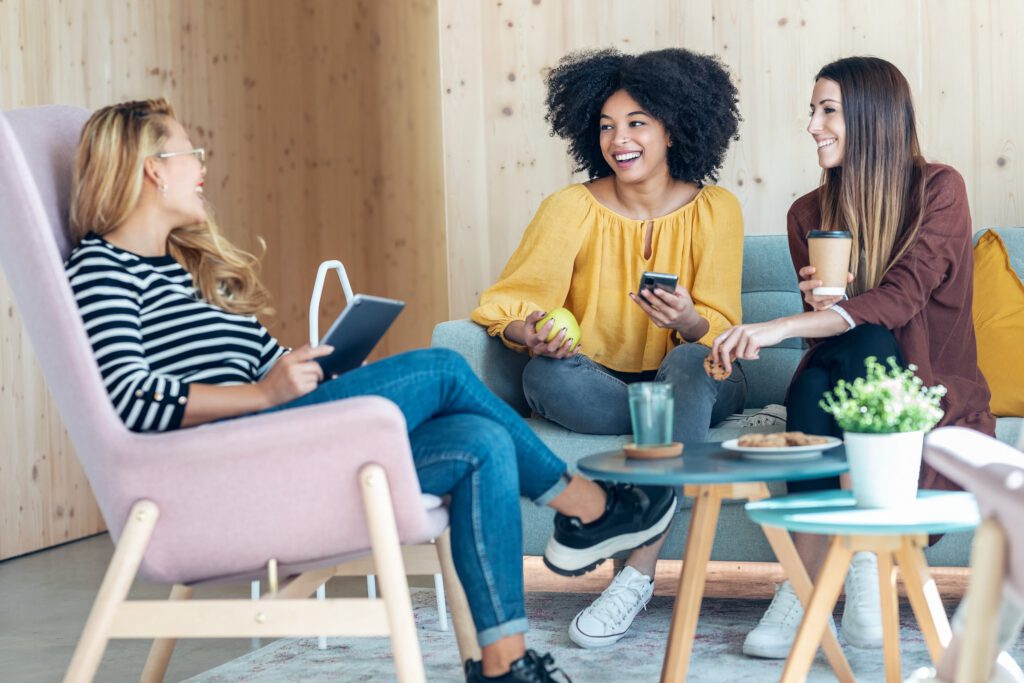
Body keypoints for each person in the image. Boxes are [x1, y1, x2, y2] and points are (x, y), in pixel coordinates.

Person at [65, 99, 678, 683]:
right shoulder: (100, 269)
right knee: (441, 369)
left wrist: (303, 369)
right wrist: (263, 396)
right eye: (190, 153)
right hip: (234, 467)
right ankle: (588, 510)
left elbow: (263, 365)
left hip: (272, 438)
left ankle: (504, 664)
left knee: (481, 440)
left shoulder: (175, 271)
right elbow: (126, 397)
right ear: (153, 170)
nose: (201, 167)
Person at [711, 56, 995, 659]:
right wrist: (822, 306)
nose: (812, 125)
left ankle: (830, 577)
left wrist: (780, 324)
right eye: (812, 111)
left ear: (871, 116)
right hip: (846, 383)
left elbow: (903, 297)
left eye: (828, 110)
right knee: (826, 372)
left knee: (861, 343)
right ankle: (837, 575)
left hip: (922, 396)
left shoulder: (939, 190)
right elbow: (829, 343)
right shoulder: (806, 215)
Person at [471, 48, 744, 649]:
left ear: (674, 128)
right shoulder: (568, 208)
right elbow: (507, 303)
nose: (618, 139)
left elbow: (724, 330)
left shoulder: (717, 209)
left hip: (697, 366)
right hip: (595, 379)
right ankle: (676, 435)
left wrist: (691, 320)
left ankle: (635, 575)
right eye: (606, 126)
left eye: (637, 122)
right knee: (546, 375)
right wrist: (530, 332)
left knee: (688, 363)